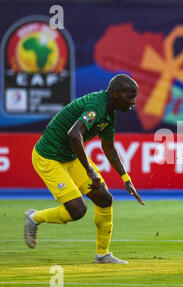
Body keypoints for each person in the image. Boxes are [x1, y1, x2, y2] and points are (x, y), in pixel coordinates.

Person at [24, 74, 145, 264]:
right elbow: (74, 134)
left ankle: (102, 255)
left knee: (104, 199)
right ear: (115, 94)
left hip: (70, 156)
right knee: (77, 210)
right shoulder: (96, 108)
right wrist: (89, 169)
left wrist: (125, 178)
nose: (133, 102)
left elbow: (109, 147)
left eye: (135, 96)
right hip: (49, 157)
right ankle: (34, 217)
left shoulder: (109, 113)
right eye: (130, 96)